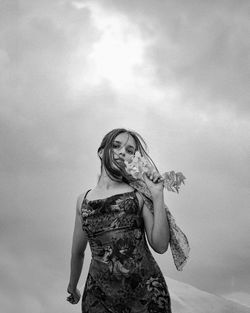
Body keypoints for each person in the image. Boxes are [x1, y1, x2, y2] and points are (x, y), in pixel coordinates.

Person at [67, 128, 177, 312]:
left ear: (133, 159)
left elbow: (160, 245)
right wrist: (72, 286)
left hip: (146, 296)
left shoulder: (138, 195)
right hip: (98, 298)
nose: (122, 152)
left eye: (130, 150)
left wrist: (157, 195)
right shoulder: (83, 200)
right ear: (102, 152)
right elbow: (78, 253)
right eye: (116, 146)